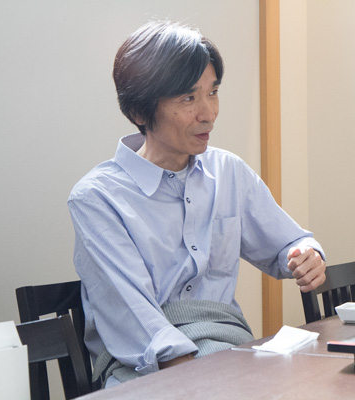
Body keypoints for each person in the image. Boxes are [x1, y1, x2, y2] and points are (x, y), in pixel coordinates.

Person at [67, 20, 326, 388]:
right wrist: (207, 381)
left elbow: (289, 243)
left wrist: (305, 254)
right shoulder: (97, 198)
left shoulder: (229, 171)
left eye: (213, 92)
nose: (208, 113)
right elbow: (136, 320)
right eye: (188, 98)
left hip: (228, 357)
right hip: (146, 374)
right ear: (140, 111)